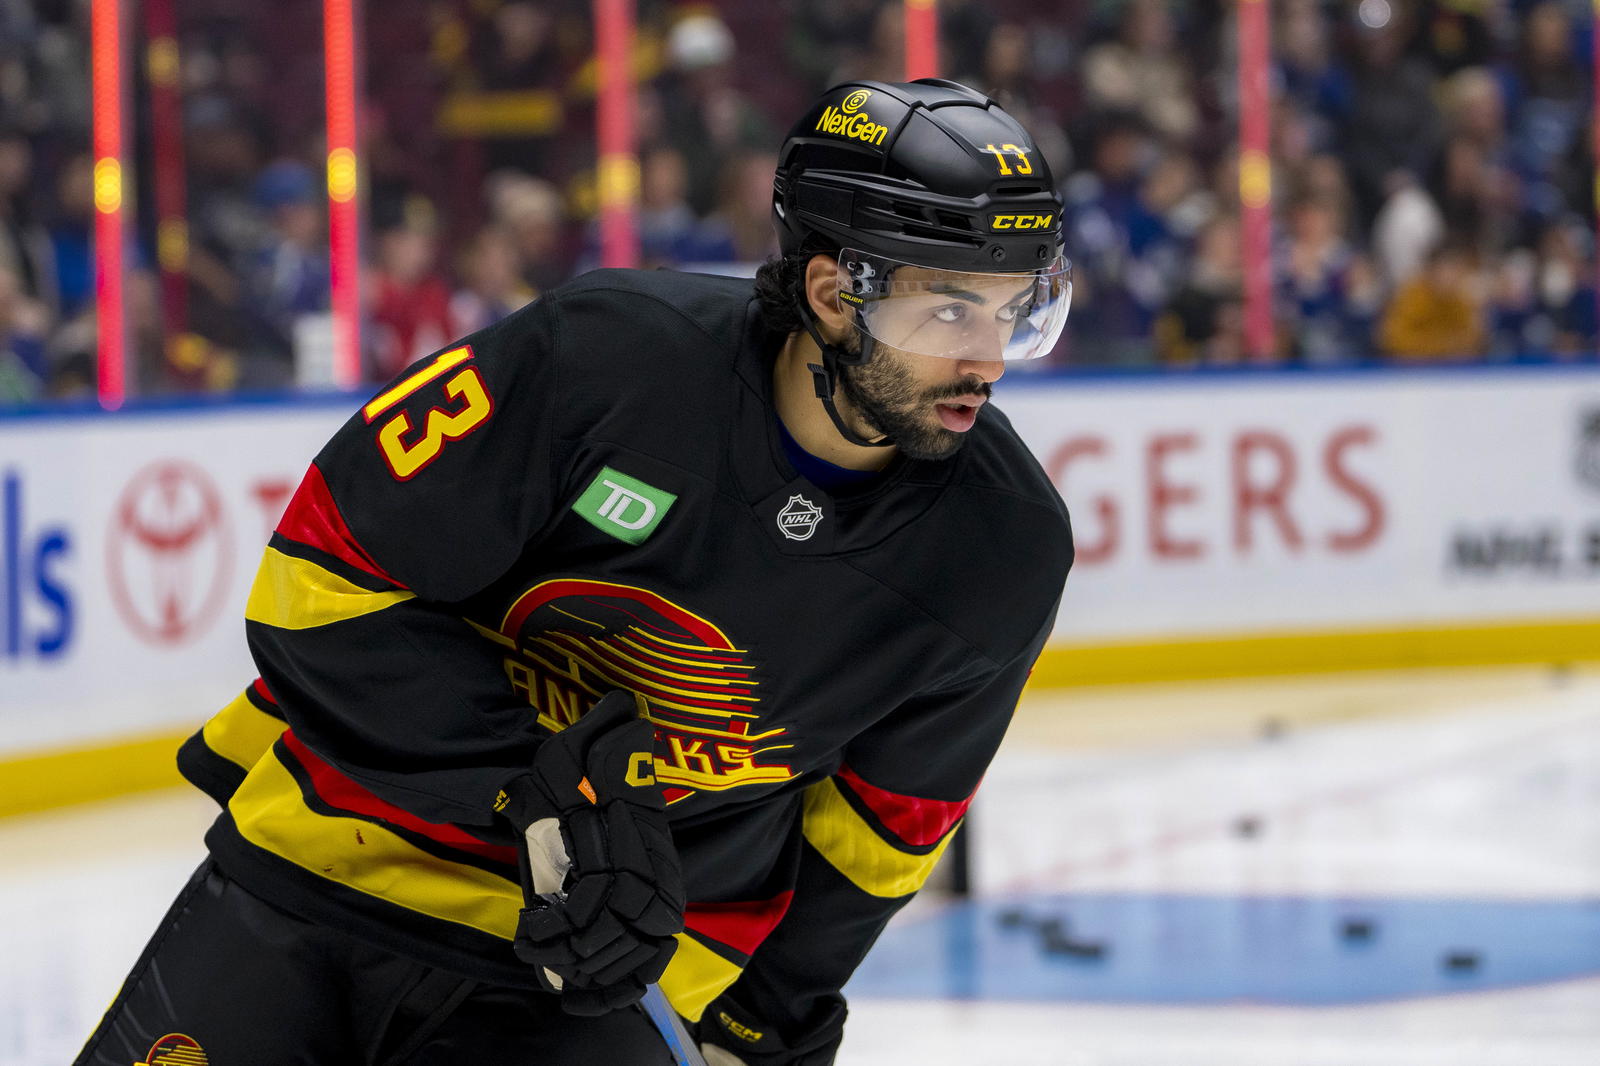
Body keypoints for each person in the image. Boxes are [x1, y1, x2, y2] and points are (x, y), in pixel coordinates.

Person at [75, 79, 1075, 1066]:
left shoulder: (1004, 547)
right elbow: (318, 580)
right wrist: (534, 789)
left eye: (1017, 313)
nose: (989, 360)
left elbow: (876, 836)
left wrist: (761, 1021)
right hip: (328, 858)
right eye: (950, 314)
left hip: (602, 973)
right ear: (830, 293)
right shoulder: (601, 360)